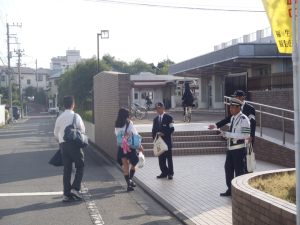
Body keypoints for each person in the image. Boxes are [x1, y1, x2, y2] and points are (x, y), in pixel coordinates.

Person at [208, 98, 250, 197]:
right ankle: (230, 190)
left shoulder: (244, 119)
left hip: (239, 149)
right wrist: (224, 134)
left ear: (239, 108)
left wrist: (228, 134)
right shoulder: (233, 118)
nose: (231, 109)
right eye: (230, 107)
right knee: (228, 169)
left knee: (239, 171)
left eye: (233, 107)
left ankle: (240, 192)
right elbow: (232, 133)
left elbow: (245, 135)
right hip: (231, 149)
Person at [54, 96, 86, 202]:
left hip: (63, 145)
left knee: (67, 170)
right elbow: (82, 129)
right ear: (73, 104)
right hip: (74, 145)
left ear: (64, 105)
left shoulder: (60, 117)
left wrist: (60, 141)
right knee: (80, 166)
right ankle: (75, 189)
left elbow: (55, 133)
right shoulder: (76, 116)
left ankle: (66, 194)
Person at [115, 108, 144, 191]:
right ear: (126, 115)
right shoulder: (129, 123)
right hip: (130, 147)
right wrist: (140, 145)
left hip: (122, 147)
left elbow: (117, 134)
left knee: (125, 166)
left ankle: (129, 184)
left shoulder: (117, 124)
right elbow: (135, 134)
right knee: (133, 164)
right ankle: (130, 180)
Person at [152, 102, 175, 180]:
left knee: (169, 158)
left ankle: (170, 173)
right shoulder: (155, 119)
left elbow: (172, 129)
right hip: (159, 142)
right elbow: (153, 131)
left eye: (159, 108)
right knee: (161, 159)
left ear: (163, 108)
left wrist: (164, 134)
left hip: (167, 141)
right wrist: (154, 139)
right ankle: (164, 172)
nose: (158, 110)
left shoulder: (169, 118)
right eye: (157, 108)